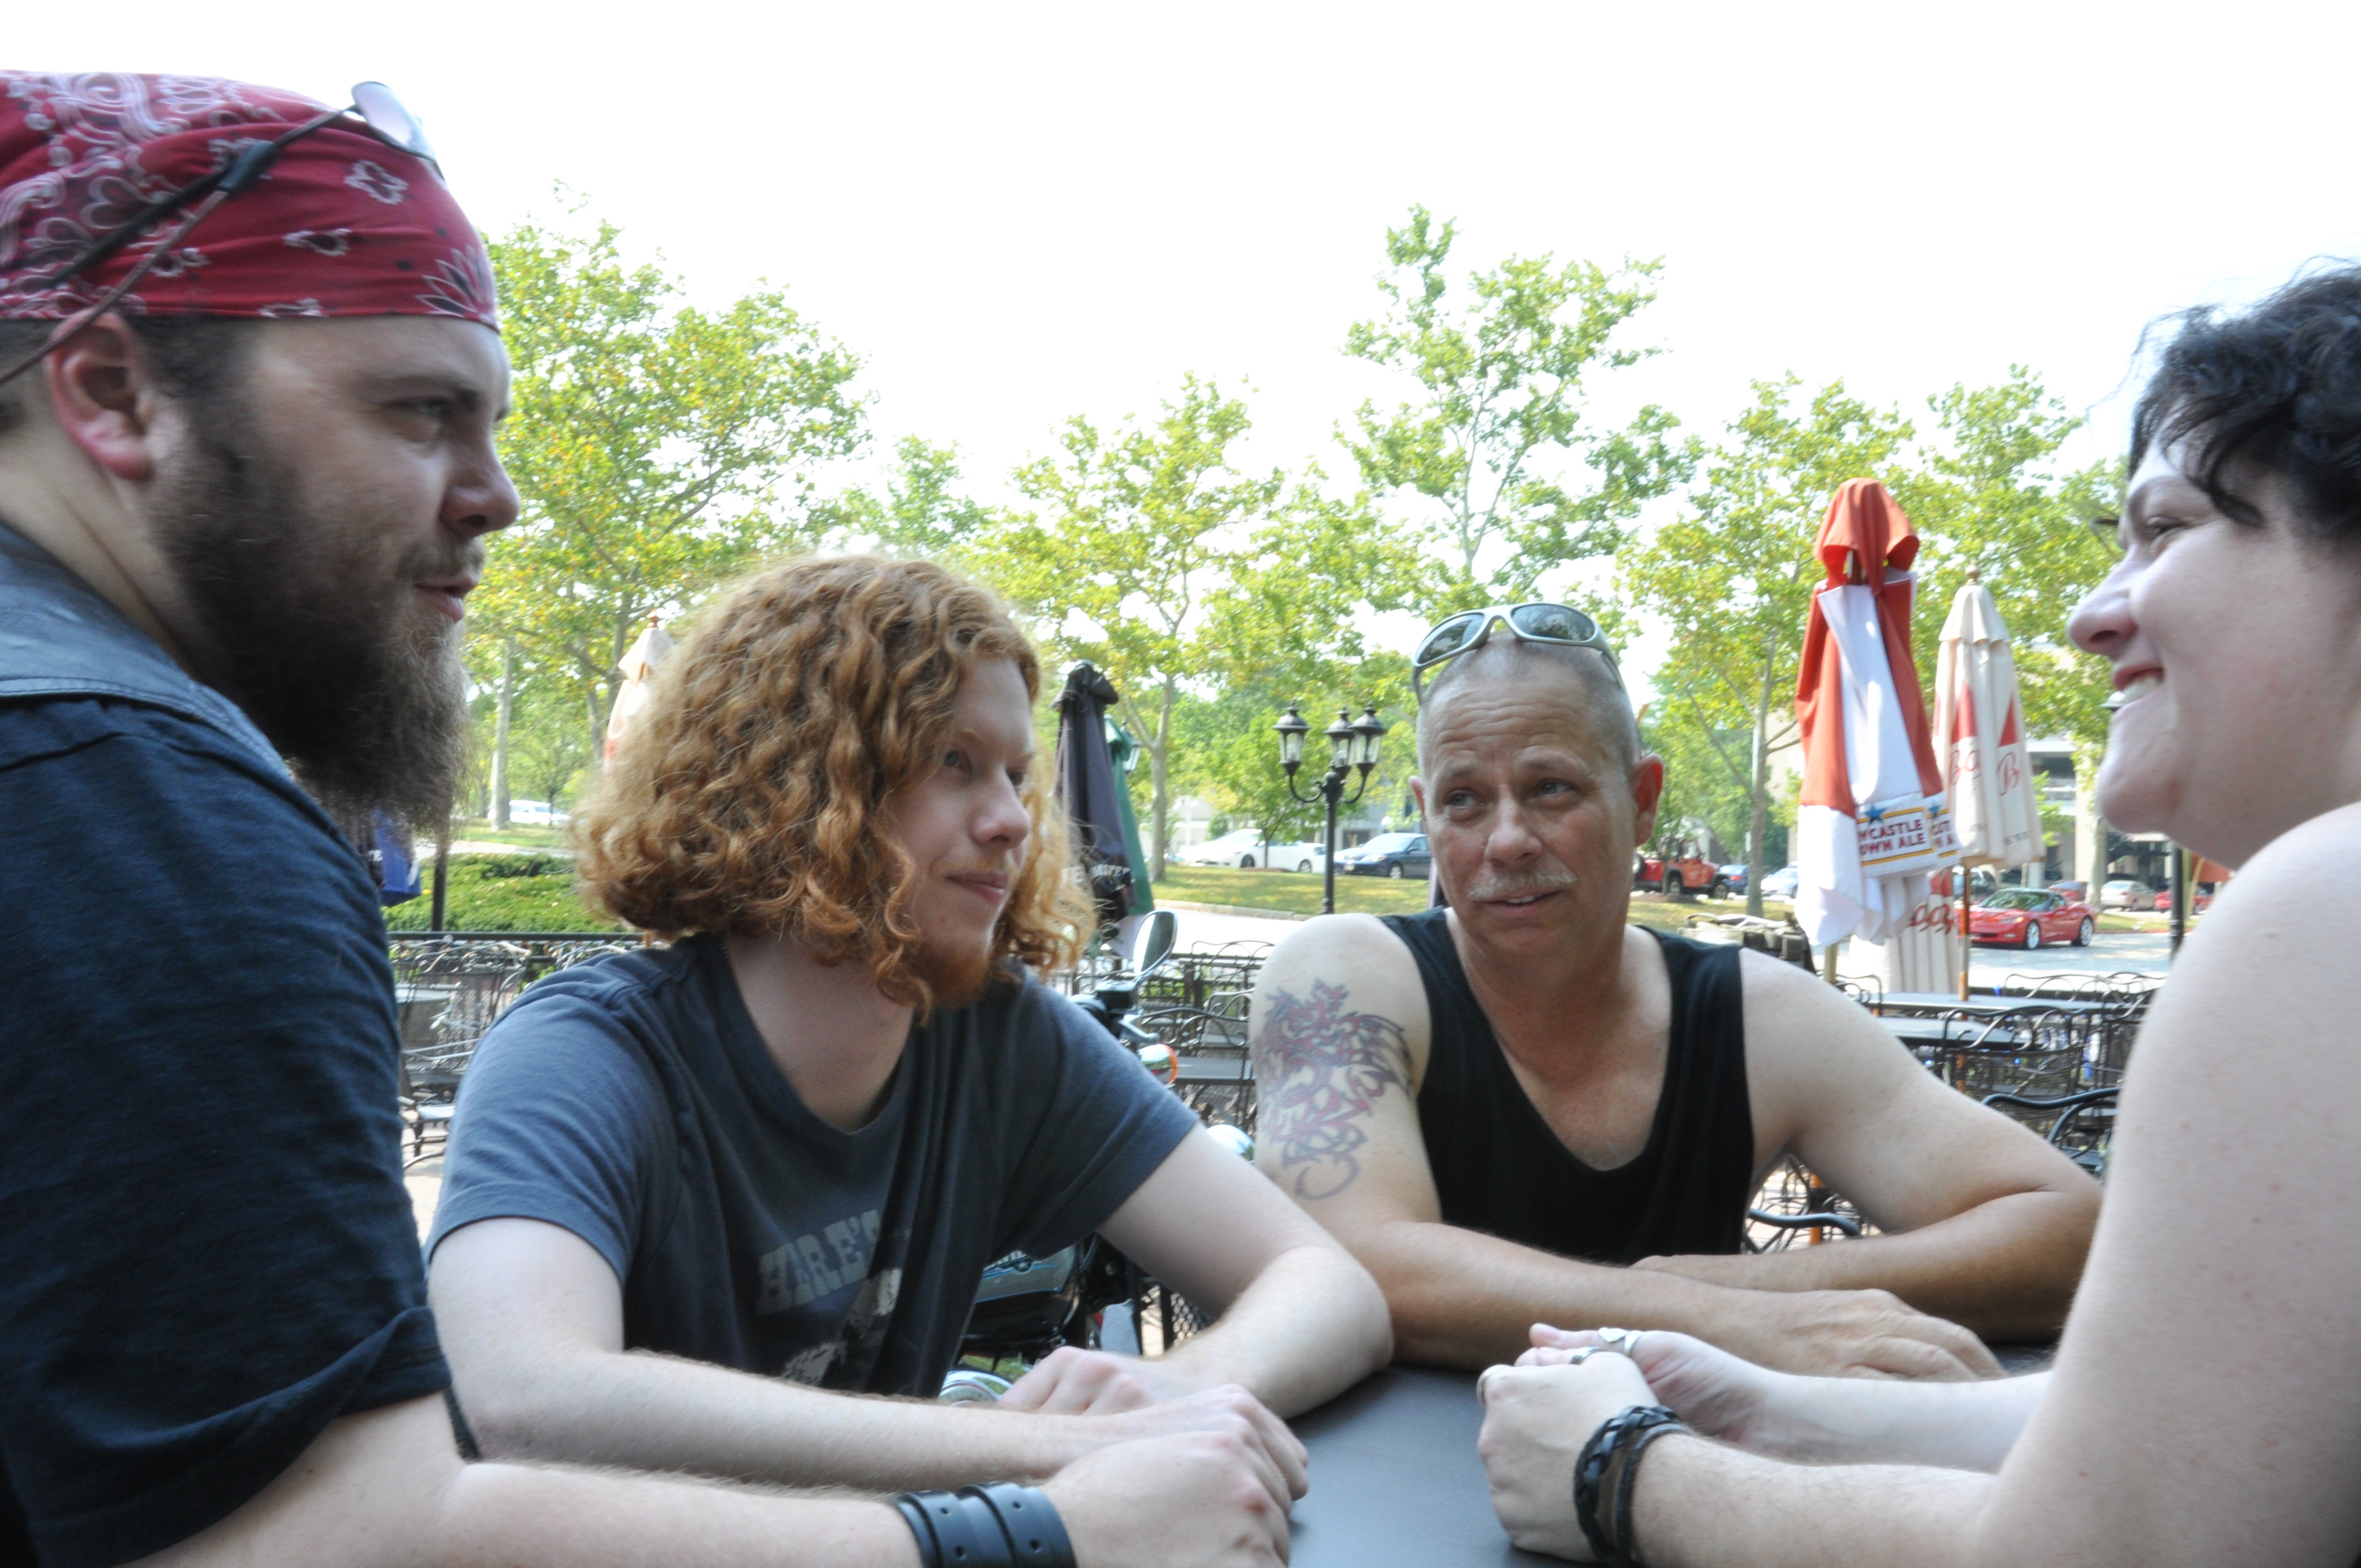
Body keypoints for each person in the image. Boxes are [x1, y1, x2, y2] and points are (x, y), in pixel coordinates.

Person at [0, 72, 1293, 1568]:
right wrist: (1035, 1520)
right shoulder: (143, 812)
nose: (497, 496)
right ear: (115, 393)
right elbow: (336, 1527)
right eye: (417, 410)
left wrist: (1142, 1415)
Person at [1476, 264, 2361, 1567]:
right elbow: (2190, 1432)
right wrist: (1767, 1405)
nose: (2089, 613)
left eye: (2165, 529)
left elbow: (2106, 1543)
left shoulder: (2322, 907)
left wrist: (1622, 1472)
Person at [423, 554, 1392, 1493]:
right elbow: (520, 1394)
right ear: (797, 782)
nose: (1014, 819)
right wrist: (1030, 1451)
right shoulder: (584, 1055)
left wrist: (1169, 1394)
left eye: (1016, 774)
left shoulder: (997, 1038)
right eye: (952, 762)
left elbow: (1330, 1290)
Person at [1248, 603, 2102, 1382]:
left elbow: (2070, 1230)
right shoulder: (1340, 973)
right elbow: (1347, 1265)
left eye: (1551, 788)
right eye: (1463, 800)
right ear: (1425, 813)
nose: (1506, 840)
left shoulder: (1757, 1016)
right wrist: (1717, 1320)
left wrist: (1737, 1287)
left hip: (1679, 1480)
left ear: (1643, 799)